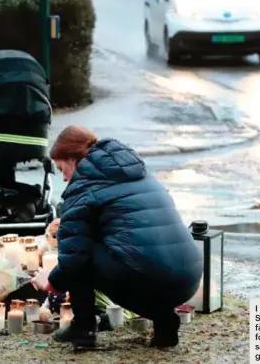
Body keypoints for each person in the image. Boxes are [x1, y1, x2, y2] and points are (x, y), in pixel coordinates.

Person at [31, 125, 202, 349]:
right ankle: (164, 323)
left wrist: (52, 281)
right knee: (141, 253)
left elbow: (74, 257)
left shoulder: (82, 187)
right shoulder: (137, 171)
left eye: (62, 168)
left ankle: (84, 328)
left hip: (149, 278)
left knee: (79, 246)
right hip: (188, 278)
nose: (64, 178)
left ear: (73, 160)